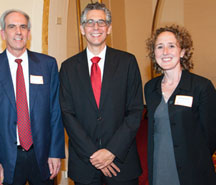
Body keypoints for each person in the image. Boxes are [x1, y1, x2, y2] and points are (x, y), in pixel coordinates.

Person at [0, 9, 65, 185]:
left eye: (23, 27)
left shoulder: (48, 65)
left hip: (42, 156)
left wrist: (55, 152)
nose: (18, 32)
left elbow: (56, 111)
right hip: (6, 158)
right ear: (3, 33)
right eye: (12, 27)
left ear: (29, 33)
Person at [59, 2, 143, 185]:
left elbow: (135, 111)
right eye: (90, 22)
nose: (95, 27)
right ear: (82, 29)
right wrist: (94, 154)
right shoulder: (68, 68)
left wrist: (111, 151)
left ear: (109, 28)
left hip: (121, 161)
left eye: (101, 22)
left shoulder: (127, 62)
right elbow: (67, 114)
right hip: (85, 162)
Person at [145, 25, 216, 185]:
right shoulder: (150, 88)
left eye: (171, 46)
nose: (165, 52)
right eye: (159, 47)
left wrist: (194, 158)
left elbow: (211, 136)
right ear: (154, 53)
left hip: (193, 170)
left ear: (183, 51)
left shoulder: (201, 86)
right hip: (160, 167)